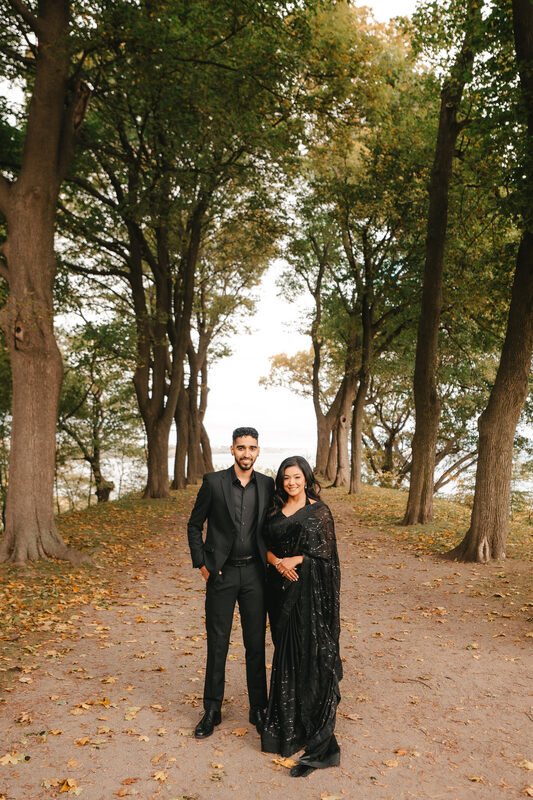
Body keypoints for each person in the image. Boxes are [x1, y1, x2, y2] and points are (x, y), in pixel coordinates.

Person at [187, 426, 275, 739]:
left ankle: (259, 708)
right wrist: (202, 565)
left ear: (258, 451)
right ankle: (212, 709)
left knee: (255, 645)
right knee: (218, 643)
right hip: (221, 574)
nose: (246, 453)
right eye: (241, 448)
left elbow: (276, 526)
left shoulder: (267, 484)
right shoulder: (213, 482)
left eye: (252, 448)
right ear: (232, 450)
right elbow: (194, 525)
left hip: (255, 575)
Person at [261, 455, 342, 778]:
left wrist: (296, 559)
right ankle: (285, 724)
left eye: (296, 477)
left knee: (309, 654)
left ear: (306, 478)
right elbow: (263, 546)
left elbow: (328, 560)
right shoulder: (273, 510)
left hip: (308, 595)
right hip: (277, 590)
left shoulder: (319, 512)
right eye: (285, 478)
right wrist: (278, 562)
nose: (291, 483)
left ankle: (310, 726)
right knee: (284, 653)